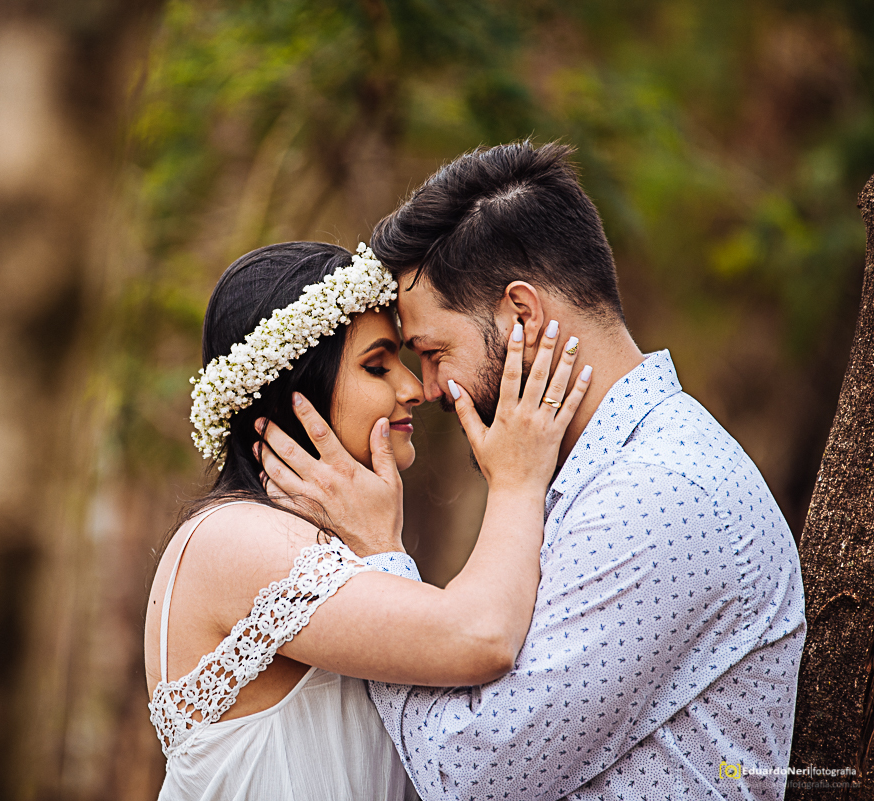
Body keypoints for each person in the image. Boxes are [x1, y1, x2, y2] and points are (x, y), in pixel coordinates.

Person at [258, 141, 807, 800]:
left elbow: (472, 774)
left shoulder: (659, 492)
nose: (427, 387)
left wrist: (380, 557)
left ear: (522, 315)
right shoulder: (601, 476)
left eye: (433, 351)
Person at [145, 240, 592, 799]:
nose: (413, 388)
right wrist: (517, 479)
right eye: (377, 365)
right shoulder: (231, 538)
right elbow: (480, 637)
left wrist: (380, 543)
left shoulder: (319, 543)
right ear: (295, 388)